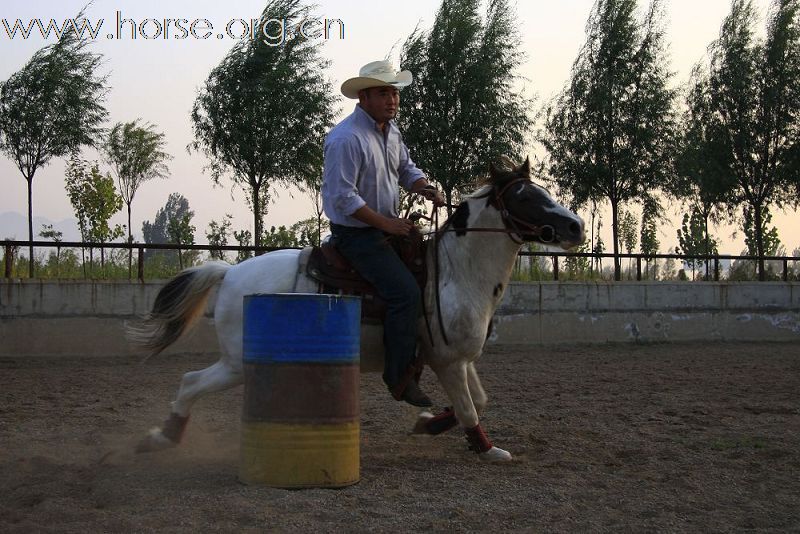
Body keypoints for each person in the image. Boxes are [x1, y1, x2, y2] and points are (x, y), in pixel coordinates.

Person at [321, 60, 445, 407]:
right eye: (383, 93)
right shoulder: (346, 139)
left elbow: (405, 168)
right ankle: (399, 377)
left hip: (384, 230)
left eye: (394, 92)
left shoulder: (391, 132)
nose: (392, 99)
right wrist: (386, 224)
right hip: (357, 236)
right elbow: (344, 197)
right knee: (405, 293)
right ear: (363, 97)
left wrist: (424, 186)